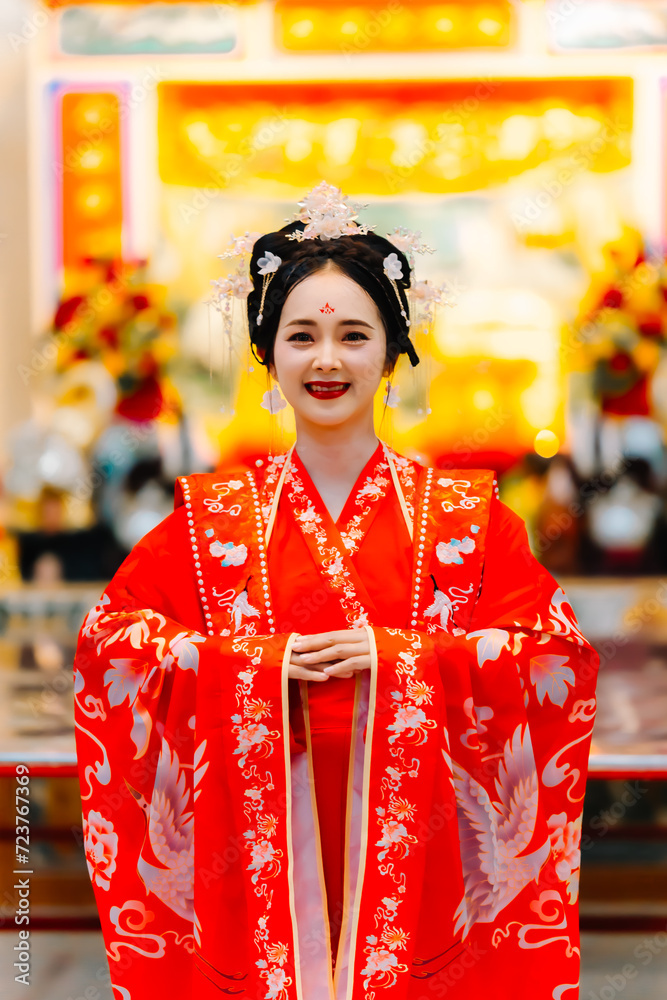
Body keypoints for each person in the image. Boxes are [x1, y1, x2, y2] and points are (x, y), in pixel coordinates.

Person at [74, 184, 599, 1000]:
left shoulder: (470, 520)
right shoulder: (208, 523)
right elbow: (110, 642)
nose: (327, 360)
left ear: (391, 352)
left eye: (354, 335)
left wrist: (405, 661)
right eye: (301, 336)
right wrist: (252, 665)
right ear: (267, 354)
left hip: (423, 862)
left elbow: (552, 652)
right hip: (252, 863)